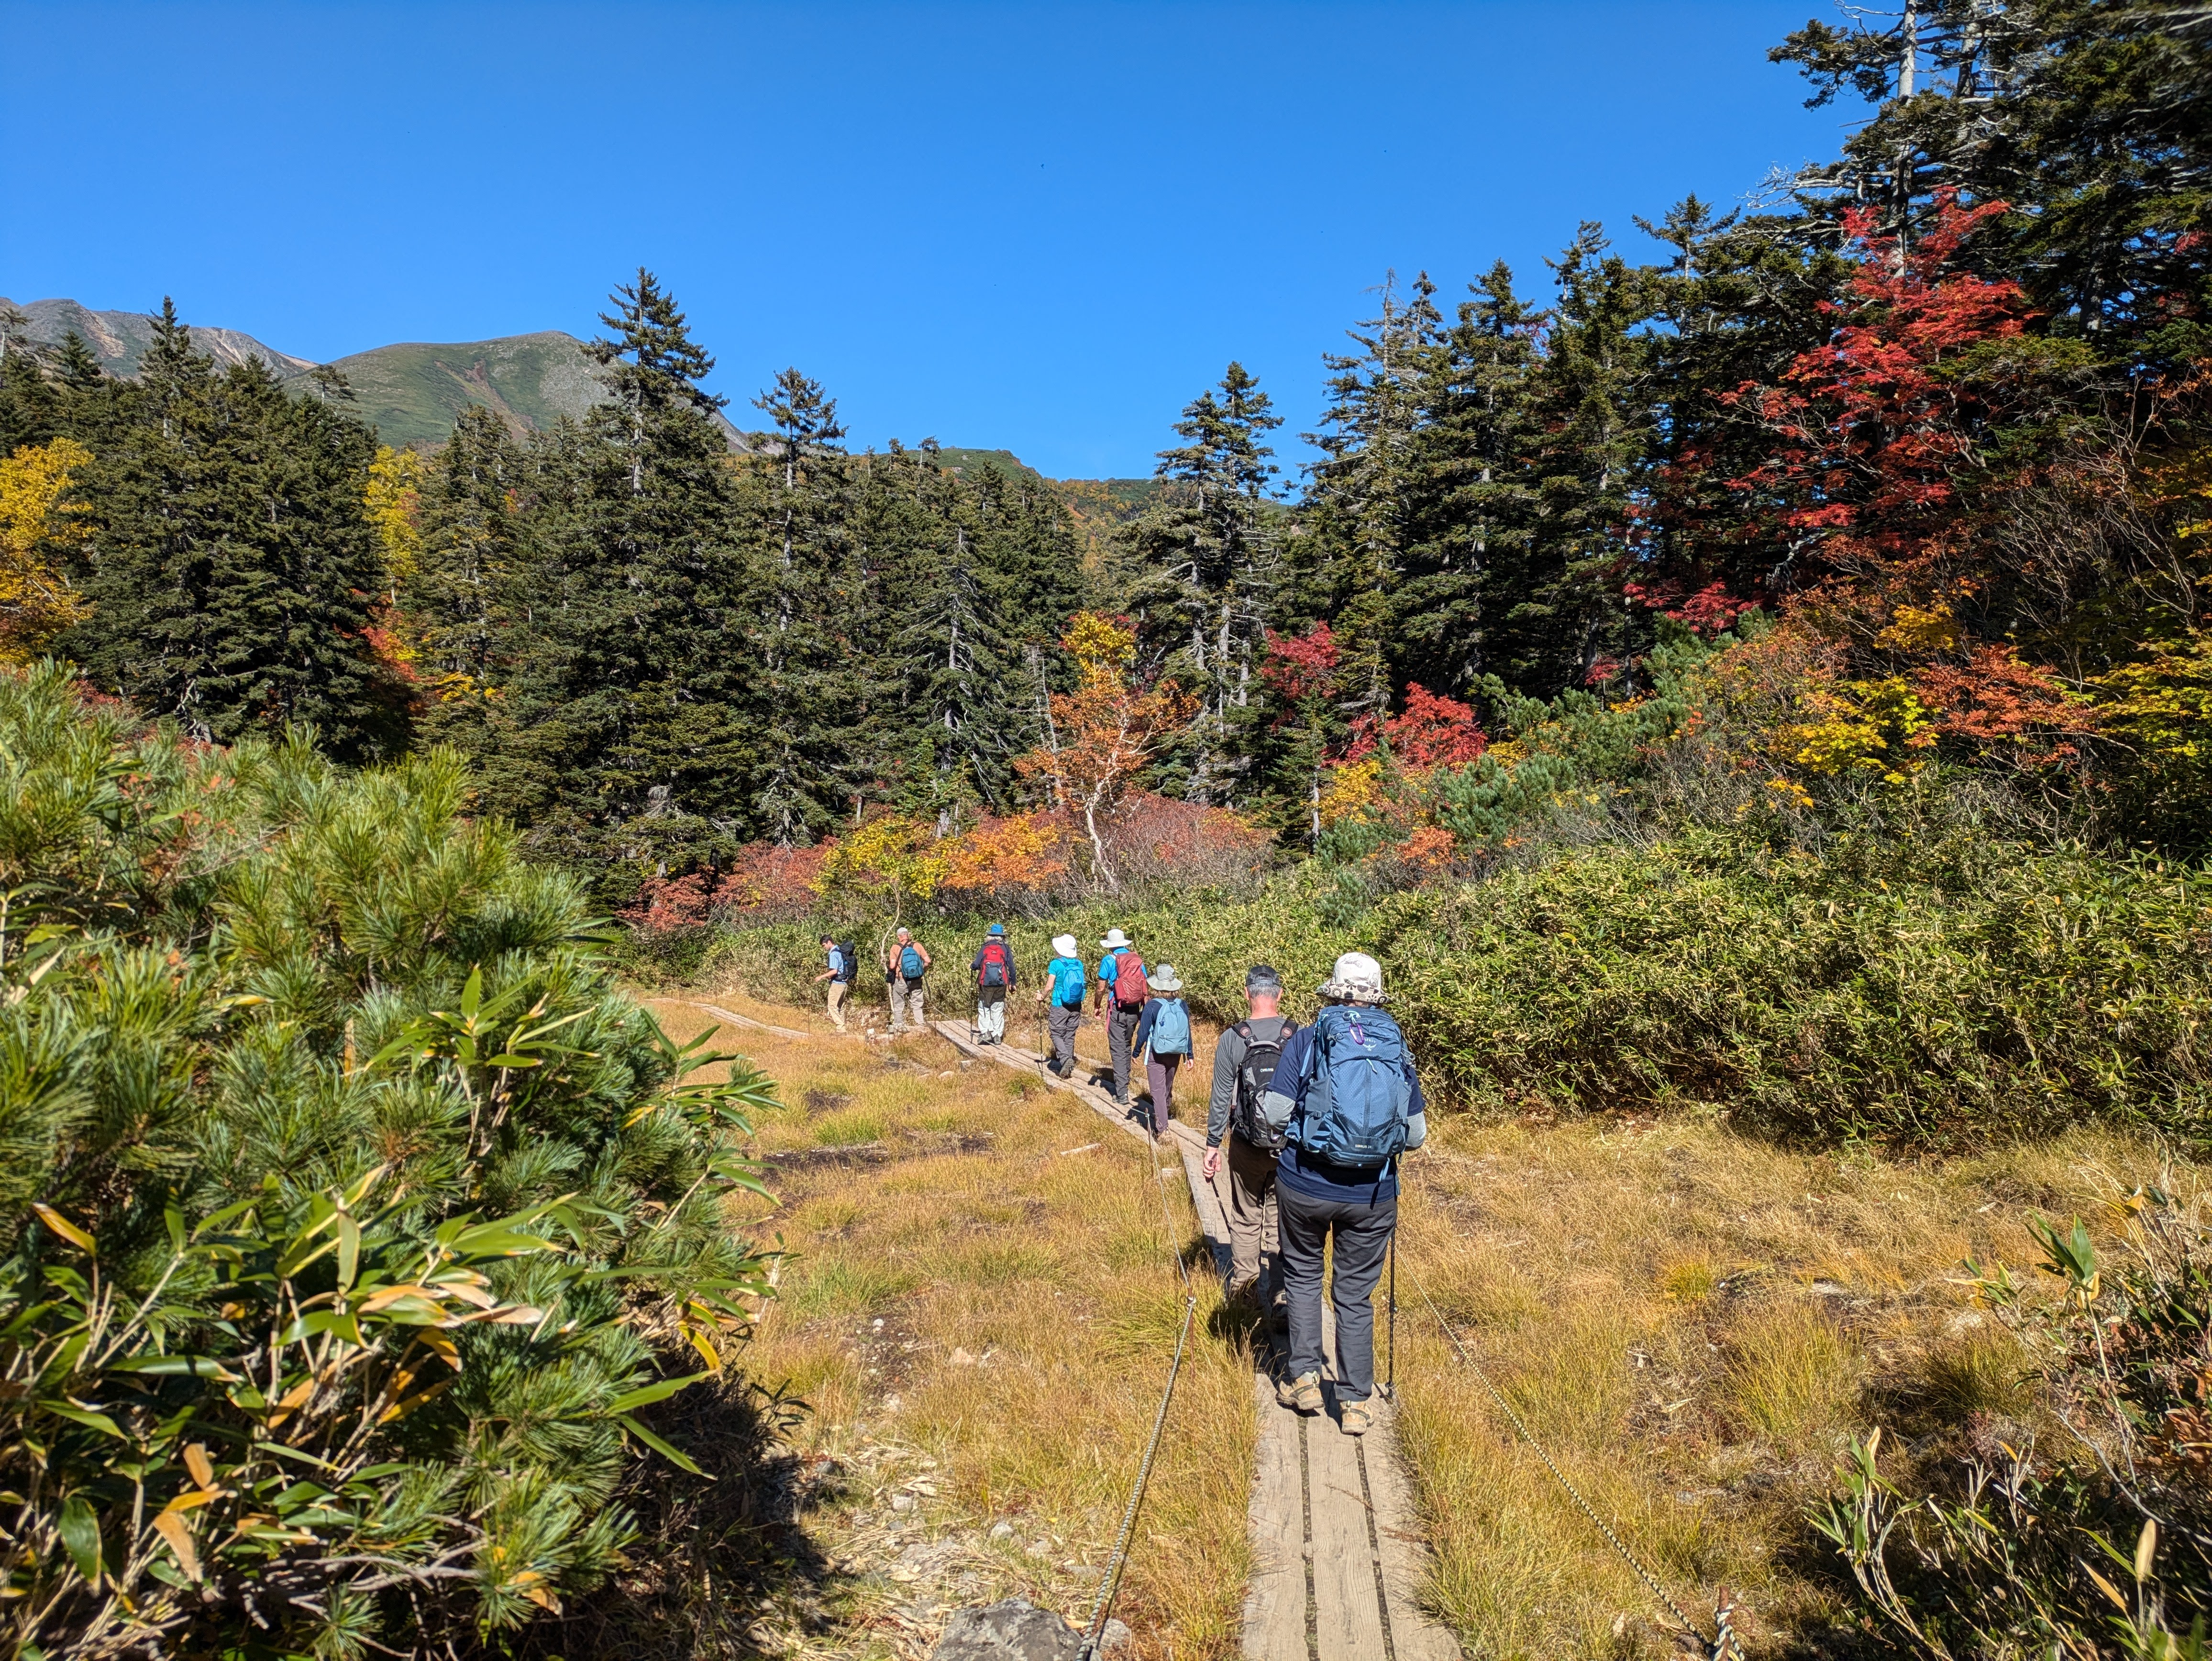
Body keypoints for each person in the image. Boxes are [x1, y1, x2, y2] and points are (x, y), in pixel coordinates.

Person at [1259, 951, 1425, 1439]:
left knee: (1305, 1277)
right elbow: (1414, 1135)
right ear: (1376, 995)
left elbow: (1273, 1112)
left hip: (1305, 1183)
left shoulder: (1308, 1039)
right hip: (1372, 1193)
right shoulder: (1394, 1045)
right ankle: (1354, 1401)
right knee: (1355, 1295)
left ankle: (1305, 1378)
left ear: (1333, 991)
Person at [1203, 964, 1296, 1320]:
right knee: (1279, 1221)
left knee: (1244, 1217)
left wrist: (1213, 1145)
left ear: (1247, 994)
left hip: (1246, 1143)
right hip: (1289, 1148)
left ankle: (1244, 1292)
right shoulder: (1297, 1036)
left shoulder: (1233, 1038)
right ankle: (1281, 1297)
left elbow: (1220, 1097)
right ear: (1279, 994)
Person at [1129, 964, 1193, 1135]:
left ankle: (1162, 1129)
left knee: (1157, 1090)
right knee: (1167, 1087)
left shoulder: (1152, 1005)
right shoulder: (1183, 1005)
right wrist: (1190, 1055)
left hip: (1156, 1053)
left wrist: (1136, 1052)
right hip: (1176, 1052)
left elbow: (1143, 1032)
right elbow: (1187, 1030)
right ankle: (1164, 1115)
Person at [1094, 928, 1146, 1105]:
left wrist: (1096, 1006)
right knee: (1126, 1047)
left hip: (1117, 1009)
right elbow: (1144, 985)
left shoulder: (1108, 960)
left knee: (1117, 1049)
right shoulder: (1137, 960)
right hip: (1134, 1010)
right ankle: (1125, 1085)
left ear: (1110, 946)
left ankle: (1122, 1094)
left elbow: (1101, 987)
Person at [1035, 933, 1088, 1076]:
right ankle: (1068, 1066)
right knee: (1070, 1034)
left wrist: (1042, 997)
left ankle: (1065, 1060)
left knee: (1056, 1032)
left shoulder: (1056, 964)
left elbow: (1049, 986)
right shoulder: (1079, 963)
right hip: (1076, 1004)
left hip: (1059, 1004)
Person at [971, 923, 1016, 1044]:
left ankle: (986, 1032)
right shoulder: (1005, 948)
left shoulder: (985, 947)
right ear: (1002, 936)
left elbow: (976, 964)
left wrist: (973, 966)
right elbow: (1011, 966)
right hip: (1001, 983)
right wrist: (1013, 982)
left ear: (990, 935)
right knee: (998, 1007)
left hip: (985, 983)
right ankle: (997, 1035)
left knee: (984, 1006)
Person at [885, 927, 931, 1035]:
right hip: (916, 979)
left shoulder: (895, 948)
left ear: (898, 937)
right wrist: (921, 971)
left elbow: (892, 966)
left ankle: (899, 1026)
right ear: (908, 935)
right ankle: (920, 1025)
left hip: (901, 978)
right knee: (917, 1003)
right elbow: (928, 961)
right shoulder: (917, 945)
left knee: (899, 1004)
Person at [812, 934, 855, 1032]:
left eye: (824, 945)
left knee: (832, 1006)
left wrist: (821, 977)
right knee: (840, 1006)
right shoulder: (841, 951)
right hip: (845, 983)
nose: (824, 948)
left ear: (829, 942)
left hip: (837, 983)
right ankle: (841, 1029)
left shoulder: (833, 954)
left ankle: (841, 1029)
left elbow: (834, 971)